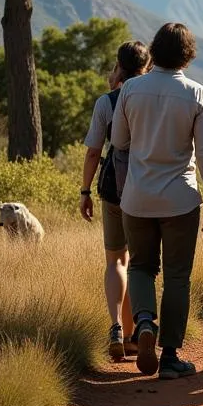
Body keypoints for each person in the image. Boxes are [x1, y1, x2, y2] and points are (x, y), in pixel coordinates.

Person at [111, 23, 203, 379]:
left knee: (141, 266)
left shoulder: (130, 90)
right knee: (177, 277)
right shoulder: (196, 93)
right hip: (180, 199)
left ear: (155, 50)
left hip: (137, 198)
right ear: (188, 54)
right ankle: (170, 356)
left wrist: (127, 191)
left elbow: (120, 145)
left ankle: (143, 323)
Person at [80, 40, 151, 362]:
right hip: (148, 186)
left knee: (116, 261)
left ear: (118, 67)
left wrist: (84, 191)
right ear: (147, 65)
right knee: (141, 264)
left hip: (113, 187)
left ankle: (116, 329)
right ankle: (138, 331)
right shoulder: (151, 97)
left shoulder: (106, 102)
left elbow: (94, 151)